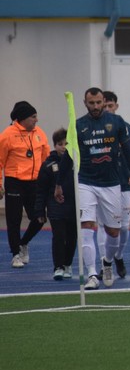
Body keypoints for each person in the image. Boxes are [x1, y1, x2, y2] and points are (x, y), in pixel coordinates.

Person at [57, 88, 130, 290]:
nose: (95, 106)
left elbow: (129, 152)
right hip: (86, 182)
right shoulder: (78, 125)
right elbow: (69, 156)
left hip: (112, 184)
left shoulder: (117, 122)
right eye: (91, 103)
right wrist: (59, 183)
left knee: (114, 232)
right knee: (86, 226)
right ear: (85, 103)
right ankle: (92, 274)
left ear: (104, 102)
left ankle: (108, 262)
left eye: (98, 102)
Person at [0, 101, 49, 268]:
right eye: (33, 117)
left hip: (35, 182)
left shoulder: (39, 133)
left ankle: (23, 243)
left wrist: (47, 181)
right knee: (13, 220)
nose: (36, 120)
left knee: (39, 218)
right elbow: (0, 161)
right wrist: (0, 184)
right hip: (15, 181)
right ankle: (15, 254)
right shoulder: (7, 135)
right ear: (21, 119)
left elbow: (45, 158)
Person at [99, 90, 130, 281]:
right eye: (103, 105)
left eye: (110, 105)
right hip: (101, 183)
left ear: (116, 106)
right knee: (103, 226)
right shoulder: (93, 127)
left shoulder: (125, 126)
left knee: (123, 227)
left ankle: (119, 256)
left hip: (123, 182)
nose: (107, 109)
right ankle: (103, 262)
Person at [33, 128, 76, 279]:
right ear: (55, 145)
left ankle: (68, 264)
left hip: (74, 207)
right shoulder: (47, 165)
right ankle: (58, 266)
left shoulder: (77, 163)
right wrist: (40, 211)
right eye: (60, 144)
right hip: (55, 207)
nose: (63, 147)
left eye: (66, 143)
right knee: (59, 236)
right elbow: (41, 190)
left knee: (72, 237)